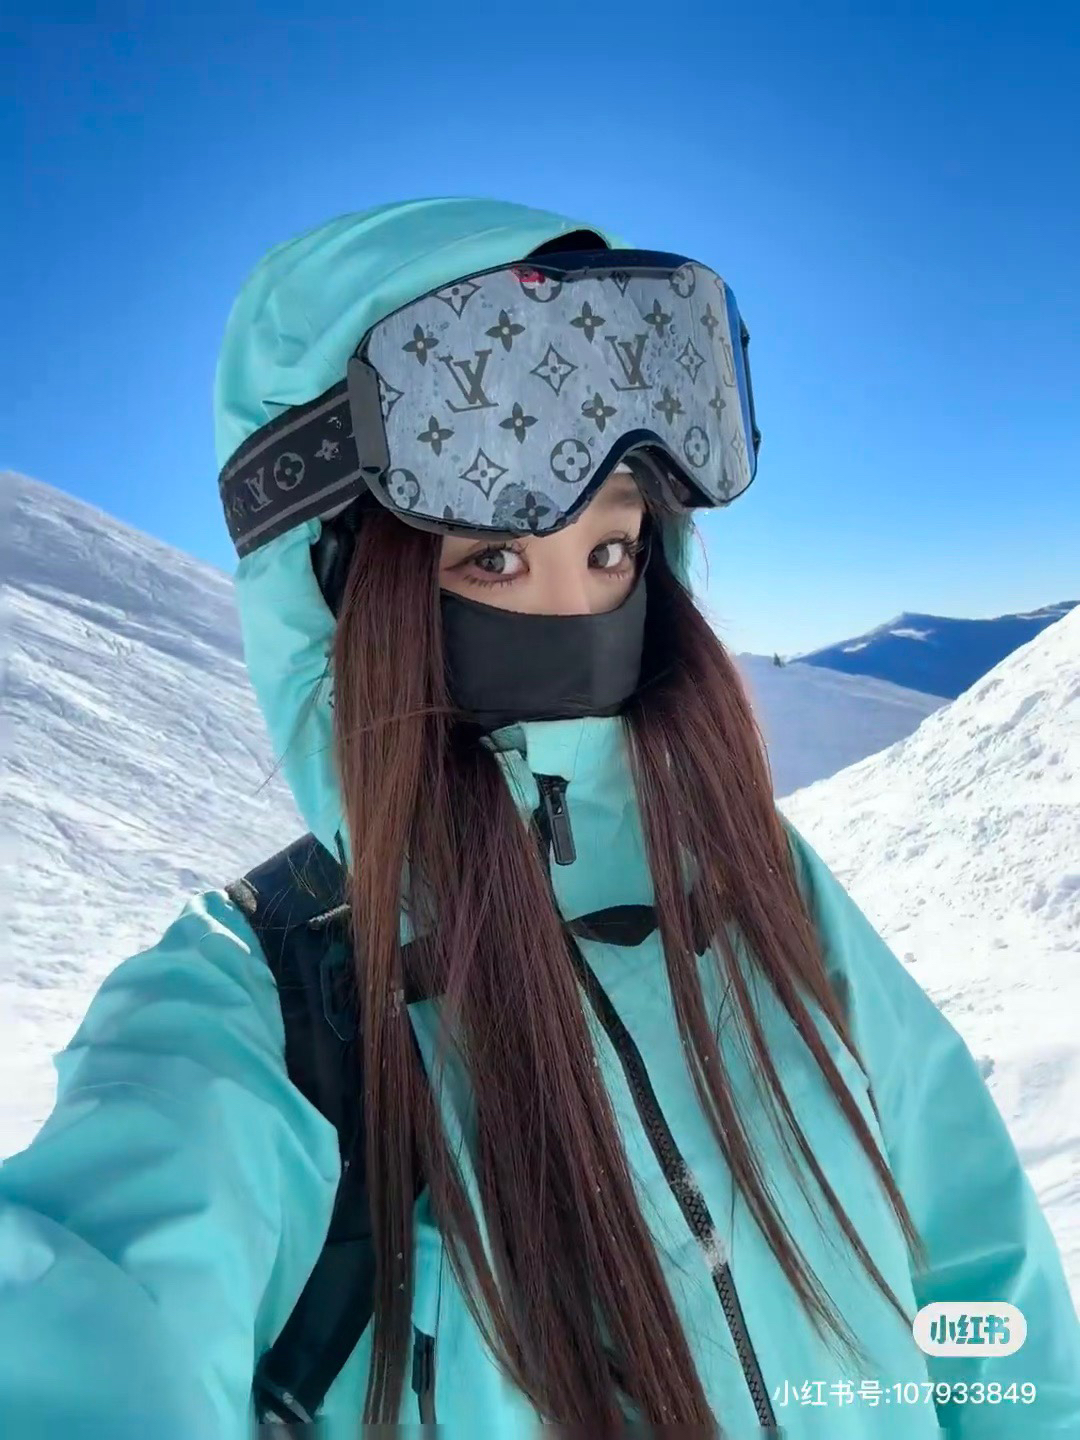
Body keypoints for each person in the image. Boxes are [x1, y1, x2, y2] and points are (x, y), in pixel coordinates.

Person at [1, 198, 1077, 1440]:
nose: (577, 623)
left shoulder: (751, 880)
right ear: (337, 594)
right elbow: (96, 1319)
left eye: (612, 551)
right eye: (493, 560)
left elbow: (979, 1272)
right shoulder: (262, 1009)